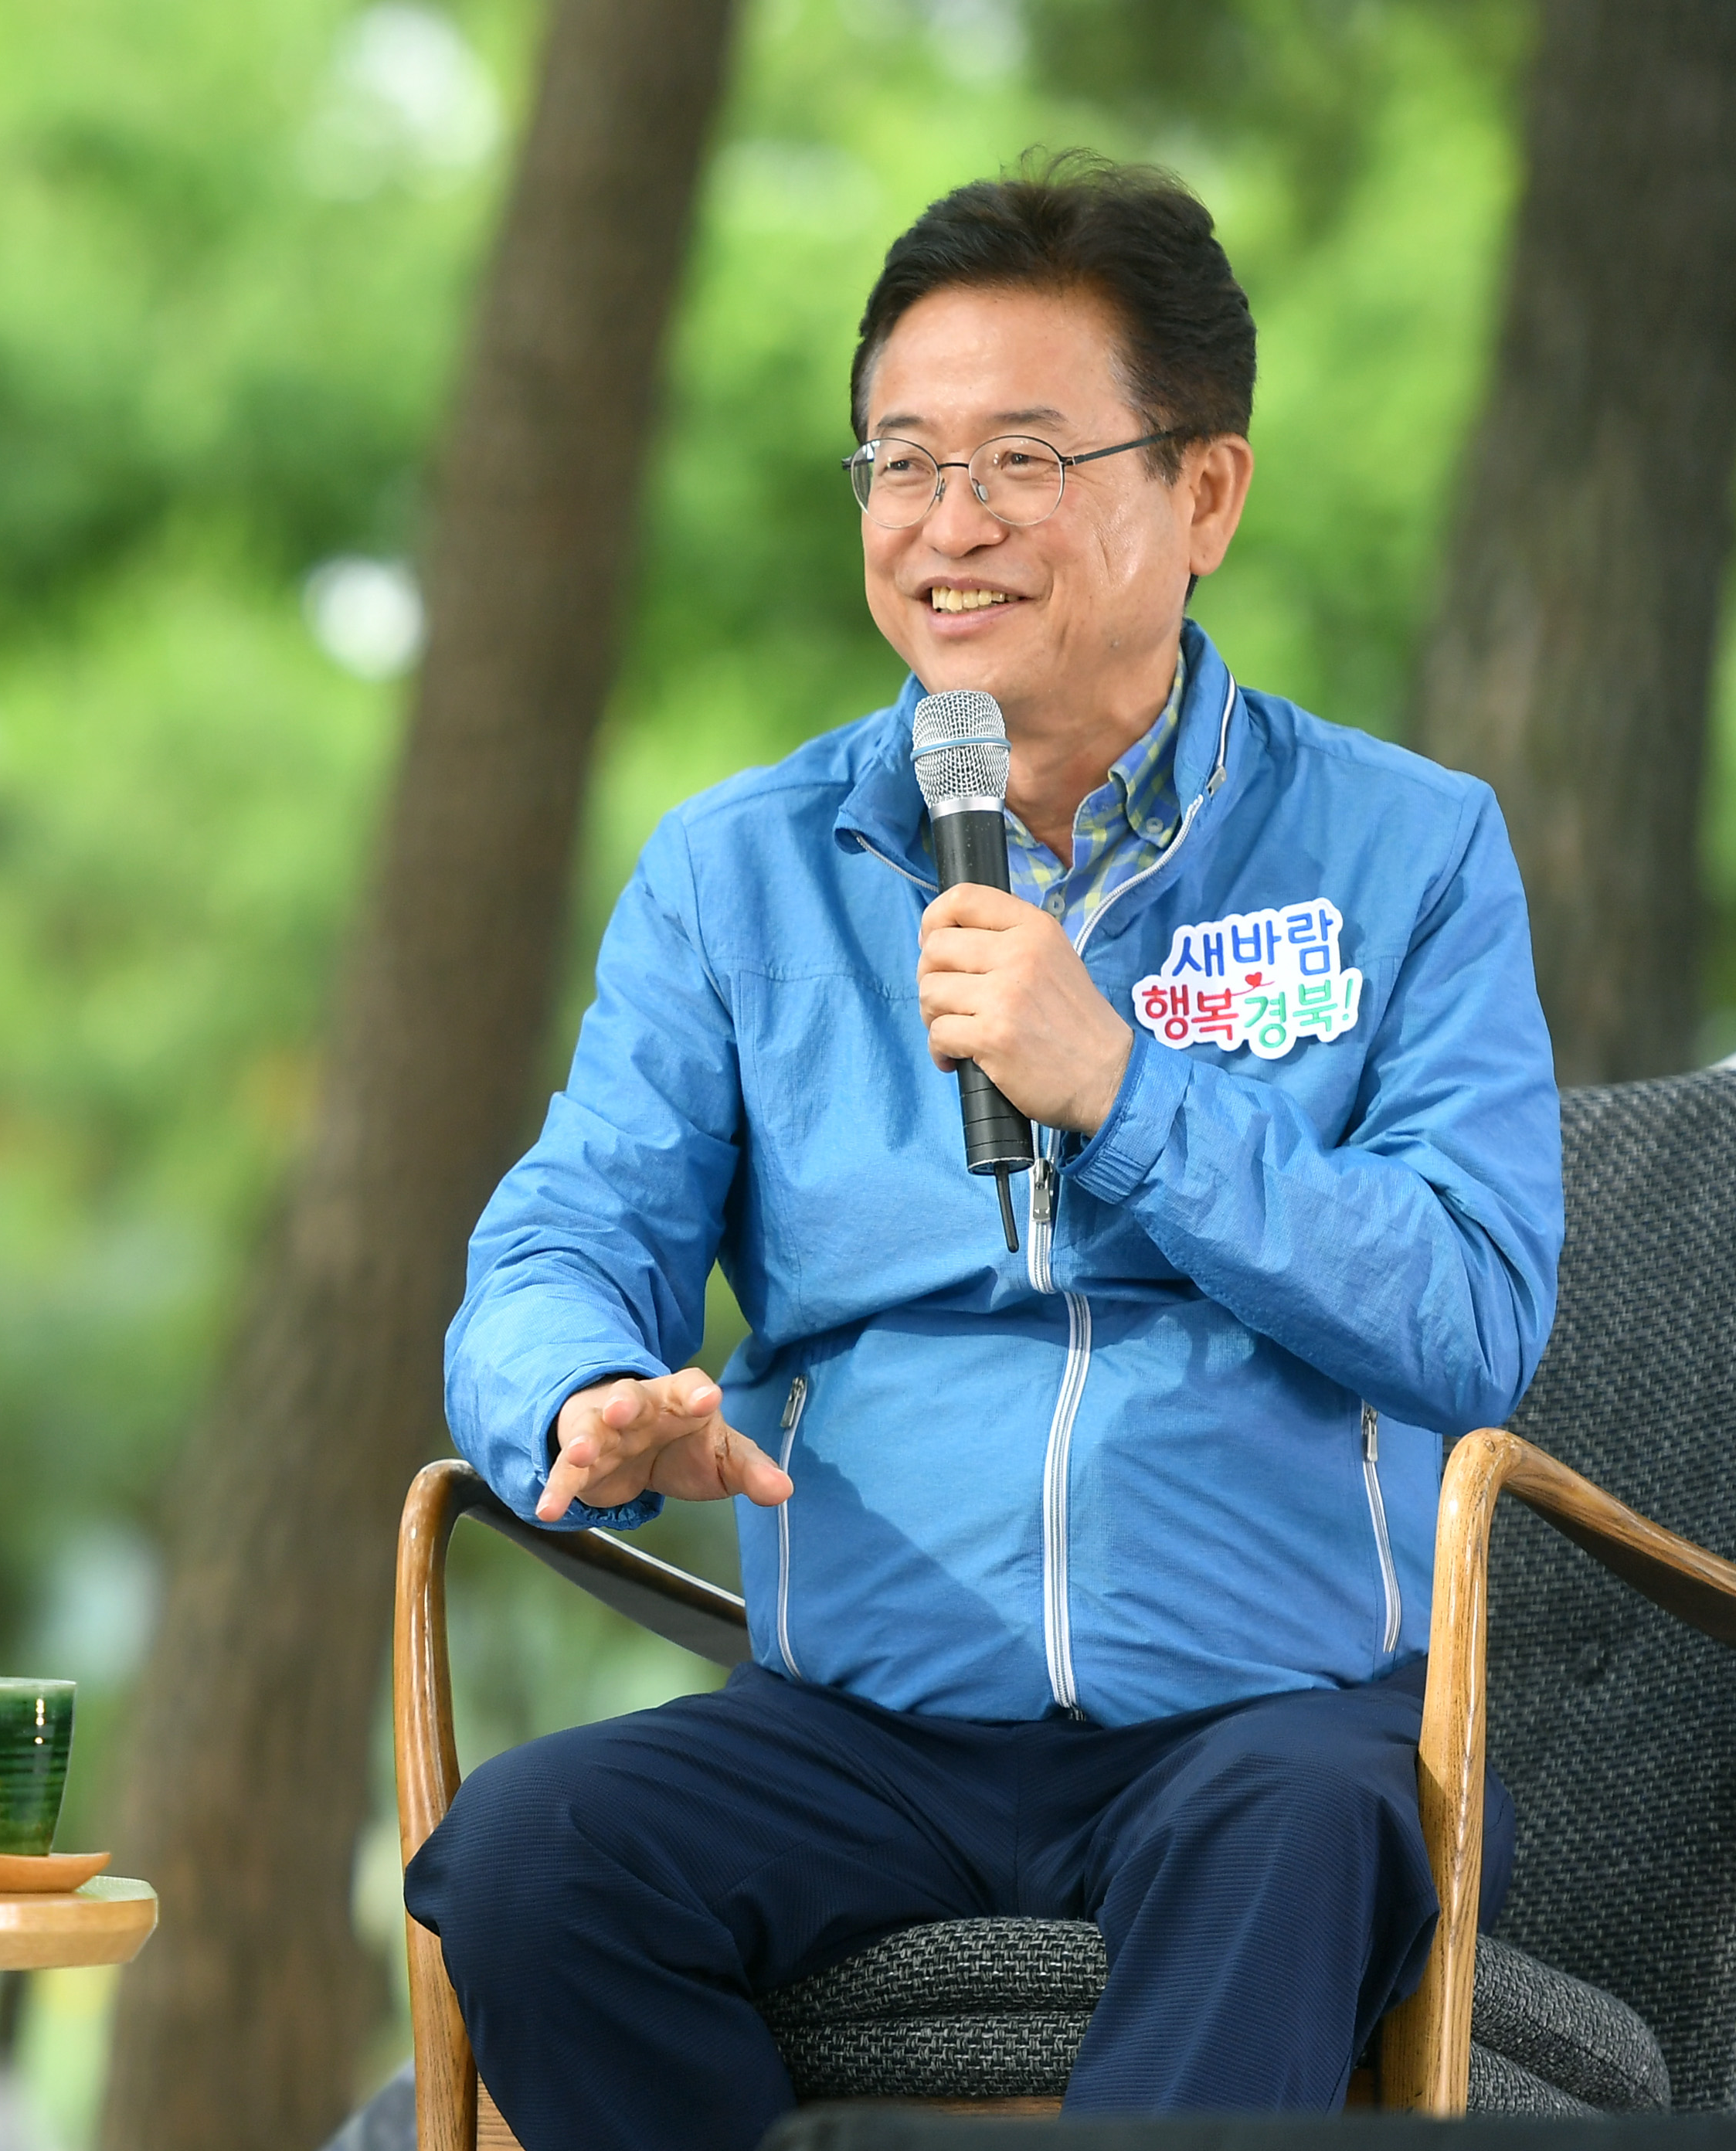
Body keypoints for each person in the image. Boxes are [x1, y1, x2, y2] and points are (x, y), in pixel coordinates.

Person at [406, 154, 1559, 2145]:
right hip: (862, 1727)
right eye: (902, 462)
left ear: (1204, 493)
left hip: (1272, 1717)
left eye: (1024, 459)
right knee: (531, 1855)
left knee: (1300, 1824)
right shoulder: (737, 871)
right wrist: (581, 1386)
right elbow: (563, 1234)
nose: (950, 524)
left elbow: (1471, 1312)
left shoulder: (1409, 849)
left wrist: (1119, 1087)